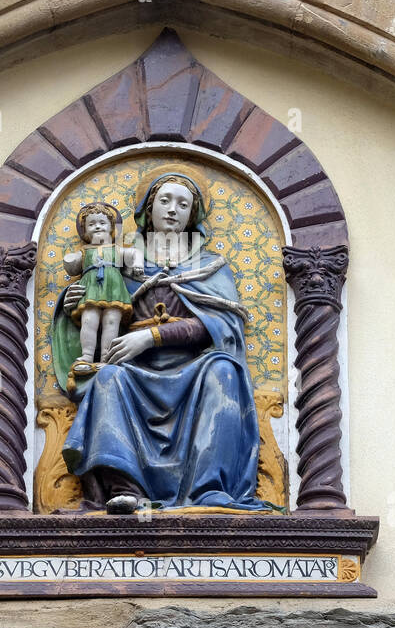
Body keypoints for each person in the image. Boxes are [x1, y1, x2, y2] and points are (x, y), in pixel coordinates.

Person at [49, 166, 269, 514]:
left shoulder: (211, 266)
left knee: (224, 371)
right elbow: (106, 310)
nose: (172, 209)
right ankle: (126, 490)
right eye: (164, 201)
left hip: (194, 368)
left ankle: (208, 489)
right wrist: (77, 306)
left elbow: (221, 326)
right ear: (147, 209)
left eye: (183, 204)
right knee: (108, 377)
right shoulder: (125, 261)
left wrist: (153, 336)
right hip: (134, 368)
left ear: (193, 214)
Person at [62, 202, 141, 379]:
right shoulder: (85, 252)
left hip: (113, 290)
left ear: (112, 227)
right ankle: (87, 357)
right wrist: (70, 260)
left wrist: (137, 265)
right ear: (84, 231)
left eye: (102, 223)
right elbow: (72, 267)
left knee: (111, 322)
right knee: (89, 320)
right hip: (91, 290)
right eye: (91, 224)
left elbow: (135, 254)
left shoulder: (116, 250)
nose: (97, 226)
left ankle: (107, 358)